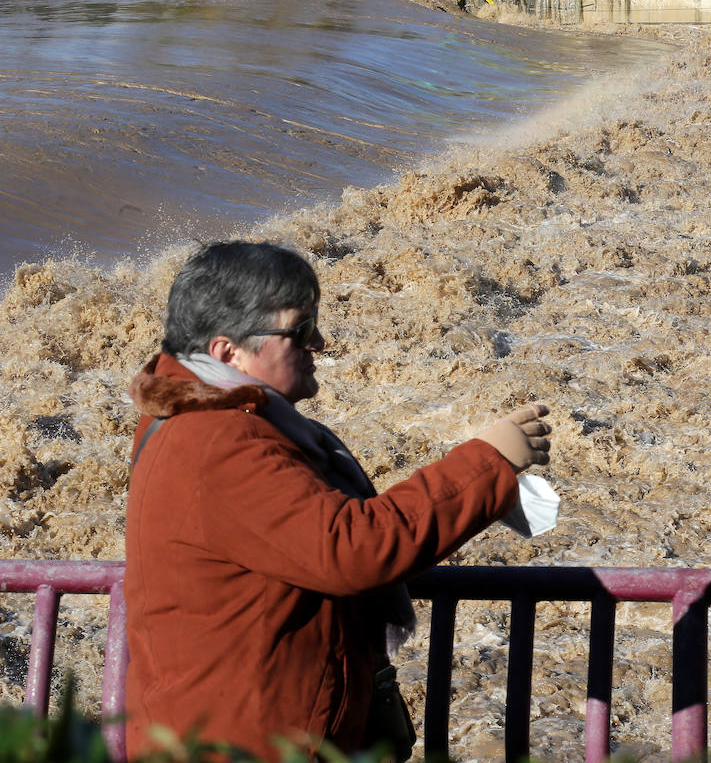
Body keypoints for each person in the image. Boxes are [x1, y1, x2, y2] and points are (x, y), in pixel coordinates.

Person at [124, 241, 553, 760]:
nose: (319, 342)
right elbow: (352, 548)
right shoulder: (219, 442)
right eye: (300, 330)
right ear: (227, 352)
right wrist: (487, 465)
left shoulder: (202, 417)